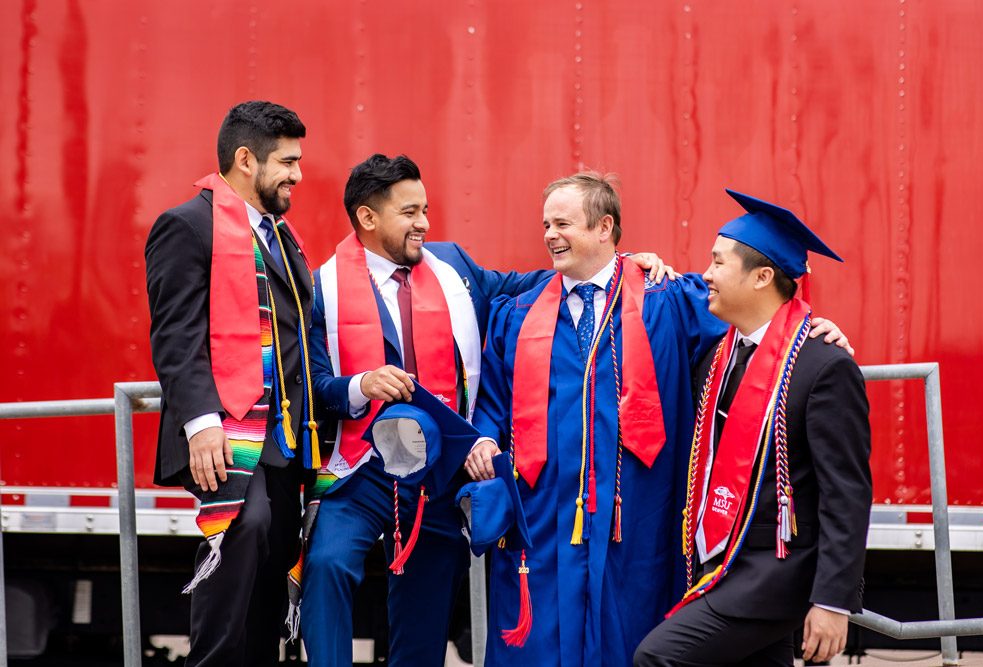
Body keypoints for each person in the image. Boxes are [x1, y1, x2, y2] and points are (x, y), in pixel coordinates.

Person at [464, 174, 851, 667]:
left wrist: (814, 328)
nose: (549, 235)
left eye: (562, 223)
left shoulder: (668, 299)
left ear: (604, 227)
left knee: (634, 641)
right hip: (542, 518)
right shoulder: (517, 313)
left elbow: (762, 324)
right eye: (546, 224)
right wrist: (482, 441)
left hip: (637, 517)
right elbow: (493, 407)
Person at [300, 154, 670, 666]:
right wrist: (361, 384)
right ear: (368, 218)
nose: (424, 223)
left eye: (425, 209)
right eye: (410, 213)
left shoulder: (453, 267)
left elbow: (535, 286)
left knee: (422, 622)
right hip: (364, 469)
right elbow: (314, 387)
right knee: (329, 564)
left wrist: (622, 266)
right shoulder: (323, 288)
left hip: (438, 477)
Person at [633, 190, 872, 667]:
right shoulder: (715, 359)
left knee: (657, 657)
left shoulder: (821, 366)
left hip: (774, 574)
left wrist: (832, 601)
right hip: (717, 563)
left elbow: (846, 494)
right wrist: (632, 267)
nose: (706, 275)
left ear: (762, 277)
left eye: (718, 263)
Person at [145, 100, 316, 666]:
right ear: (247, 159)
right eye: (287, 161)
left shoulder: (282, 237)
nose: (297, 173)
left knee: (274, 561)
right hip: (225, 432)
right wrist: (200, 425)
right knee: (247, 531)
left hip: (286, 438)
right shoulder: (186, 226)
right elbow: (176, 338)